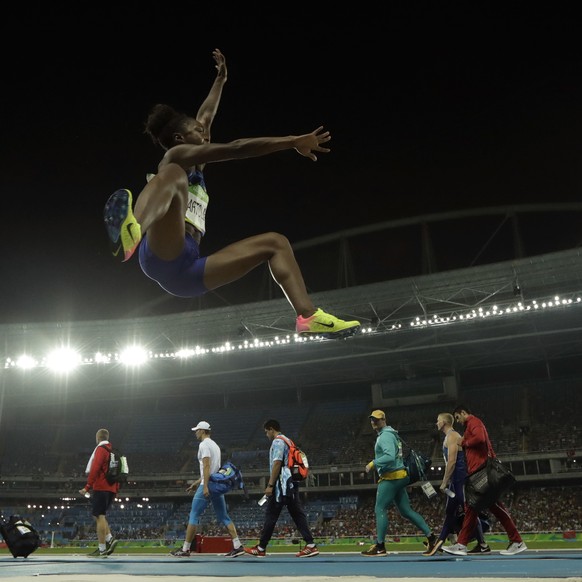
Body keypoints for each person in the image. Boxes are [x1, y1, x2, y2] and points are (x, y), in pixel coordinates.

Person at [103, 48, 360, 340]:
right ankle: (132, 230)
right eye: (199, 132)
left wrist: (221, 79)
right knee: (173, 176)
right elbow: (237, 148)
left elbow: (207, 114)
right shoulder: (176, 156)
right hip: (162, 254)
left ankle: (308, 317)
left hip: (189, 272)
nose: (206, 136)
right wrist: (292, 141)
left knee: (276, 243)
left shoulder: (196, 159)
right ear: (180, 139)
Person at [443, 405, 527, 556]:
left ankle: (463, 544)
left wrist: (464, 442)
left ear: (463, 413)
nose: (458, 421)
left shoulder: (473, 422)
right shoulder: (471, 424)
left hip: (482, 472)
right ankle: (515, 541)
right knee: (475, 508)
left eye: (458, 417)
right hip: (480, 472)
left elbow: (480, 438)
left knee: (473, 507)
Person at [362, 410, 437, 557]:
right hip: (399, 475)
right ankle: (431, 538)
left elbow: (389, 457)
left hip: (391, 477)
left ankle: (380, 546)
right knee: (406, 511)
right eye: (372, 420)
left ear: (384, 420)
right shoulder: (391, 434)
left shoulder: (384, 436)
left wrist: (372, 463)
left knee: (380, 509)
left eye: (376, 420)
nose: (373, 423)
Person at [244, 419, 319, 558]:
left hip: (281, 485)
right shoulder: (288, 440)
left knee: (271, 515)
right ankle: (310, 544)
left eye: (267, 432)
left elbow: (277, 463)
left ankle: (261, 548)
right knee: (297, 513)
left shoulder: (278, 442)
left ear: (272, 429)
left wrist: (270, 485)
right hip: (290, 483)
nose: (266, 435)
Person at [171, 420, 244, 558]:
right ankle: (237, 545)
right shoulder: (215, 445)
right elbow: (213, 469)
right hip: (216, 484)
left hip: (208, 484)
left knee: (193, 515)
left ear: (203, 431)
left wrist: (204, 485)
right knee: (223, 516)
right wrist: (197, 482)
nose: (195, 433)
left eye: (197, 430)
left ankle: (185, 549)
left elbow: (206, 466)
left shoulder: (204, 445)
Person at [423, 412, 488, 556]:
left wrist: (444, 482)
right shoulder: (449, 437)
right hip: (456, 481)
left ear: (444, 422)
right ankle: (441, 541)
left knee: (468, 511)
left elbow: (451, 462)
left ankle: (482, 544)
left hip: (460, 480)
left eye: (438, 420)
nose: (436, 423)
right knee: (450, 512)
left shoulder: (452, 436)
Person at [78, 428, 119, 558]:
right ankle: (109, 539)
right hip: (111, 488)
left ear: (98, 438)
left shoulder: (101, 449)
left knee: (99, 516)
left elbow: (95, 468)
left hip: (101, 486)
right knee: (99, 515)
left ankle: (102, 549)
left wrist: (87, 486)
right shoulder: (112, 450)